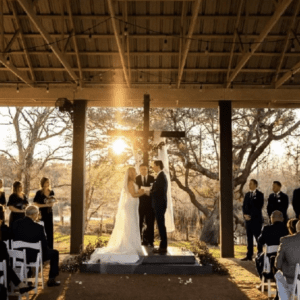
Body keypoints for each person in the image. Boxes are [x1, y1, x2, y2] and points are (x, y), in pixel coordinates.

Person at [89, 167, 146, 264]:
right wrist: (142, 192)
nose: (134, 173)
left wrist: (139, 192)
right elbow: (133, 195)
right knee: (130, 225)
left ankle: (133, 244)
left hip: (133, 206)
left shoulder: (133, 181)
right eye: (132, 172)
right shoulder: (130, 182)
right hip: (130, 207)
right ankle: (128, 245)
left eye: (134, 172)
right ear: (129, 173)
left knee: (132, 225)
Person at [12, 205, 60, 287]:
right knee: (55, 253)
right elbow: (44, 246)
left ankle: (28, 276)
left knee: (28, 251)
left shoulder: (16, 224)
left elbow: (11, 239)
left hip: (18, 256)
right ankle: (51, 280)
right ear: (34, 215)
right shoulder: (39, 227)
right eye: (37, 214)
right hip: (34, 257)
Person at [255, 211, 289, 279]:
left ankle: (264, 278)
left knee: (258, 257)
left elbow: (260, 241)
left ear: (271, 219)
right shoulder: (287, 229)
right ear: (282, 219)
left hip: (269, 258)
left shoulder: (266, 229)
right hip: (285, 259)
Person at [274, 220, 300, 300]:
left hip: (293, 282)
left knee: (278, 275)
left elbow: (277, 265)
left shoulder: (285, 241)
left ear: (297, 228)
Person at [241, 179, 264, 261]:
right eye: (249, 184)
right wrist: (245, 215)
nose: (249, 185)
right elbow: (244, 206)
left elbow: (258, 207)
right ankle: (249, 255)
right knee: (249, 238)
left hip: (256, 220)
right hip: (248, 221)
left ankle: (260, 254)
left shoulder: (260, 195)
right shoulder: (247, 195)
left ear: (255, 185)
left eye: (251, 184)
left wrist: (251, 216)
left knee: (258, 238)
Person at [33, 177, 57, 249]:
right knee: (42, 231)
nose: (48, 183)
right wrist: (45, 205)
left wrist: (53, 202)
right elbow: (35, 204)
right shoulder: (39, 193)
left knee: (50, 232)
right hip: (42, 214)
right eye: (46, 182)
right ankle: (42, 249)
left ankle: (50, 249)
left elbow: (53, 202)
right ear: (43, 183)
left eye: (48, 182)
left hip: (49, 213)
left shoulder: (51, 192)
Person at [150, 160, 168, 254]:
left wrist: (149, 192)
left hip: (160, 204)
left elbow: (159, 192)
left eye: (154, 165)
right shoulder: (160, 176)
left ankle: (163, 247)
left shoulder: (161, 177)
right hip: (159, 204)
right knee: (160, 225)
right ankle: (162, 246)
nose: (152, 167)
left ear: (158, 166)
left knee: (161, 225)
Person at [136, 163, 155, 247]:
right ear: (139, 170)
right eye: (142, 169)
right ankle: (138, 241)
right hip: (139, 205)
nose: (143, 170)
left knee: (150, 223)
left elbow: (155, 190)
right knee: (138, 223)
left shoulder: (152, 178)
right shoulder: (136, 179)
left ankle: (150, 241)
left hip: (150, 205)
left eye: (145, 169)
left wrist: (150, 192)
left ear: (147, 170)